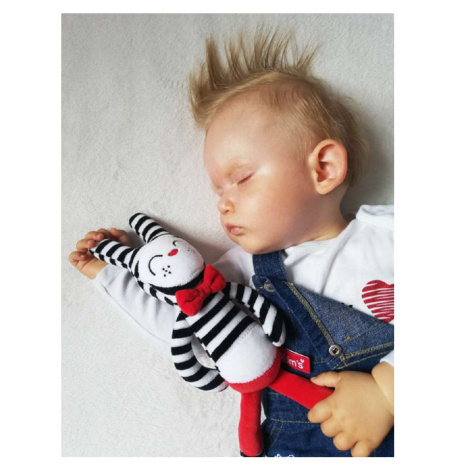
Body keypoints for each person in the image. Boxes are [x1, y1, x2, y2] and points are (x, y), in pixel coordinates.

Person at [69, 28, 394, 457]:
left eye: (241, 179)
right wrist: (112, 271)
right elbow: (182, 323)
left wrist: (388, 390)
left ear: (324, 168)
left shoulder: (389, 235)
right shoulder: (243, 271)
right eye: (217, 191)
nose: (223, 204)